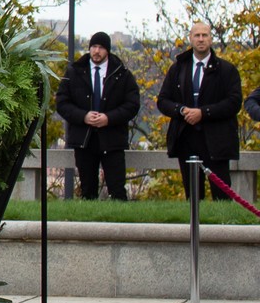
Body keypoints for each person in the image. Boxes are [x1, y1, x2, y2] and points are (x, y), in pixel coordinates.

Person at [156, 21, 242, 201]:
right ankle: (194, 230)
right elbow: (163, 101)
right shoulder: (178, 68)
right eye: (197, 35)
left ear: (211, 39)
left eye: (205, 35)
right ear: (190, 39)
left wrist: (203, 112)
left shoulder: (226, 70)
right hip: (186, 139)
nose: (201, 39)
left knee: (222, 198)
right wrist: (181, 110)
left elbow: (234, 103)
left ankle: (223, 229)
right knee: (193, 198)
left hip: (216, 142)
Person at [57, 30, 138, 202]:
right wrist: (83, 116)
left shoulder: (122, 73)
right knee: (87, 191)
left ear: (107, 50)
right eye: (93, 46)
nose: (96, 51)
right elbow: (62, 103)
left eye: (101, 47)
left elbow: (132, 105)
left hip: (112, 139)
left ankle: (120, 226)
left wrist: (108, 118)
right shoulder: (74, 72)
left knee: (117, 190)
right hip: (84, 139)